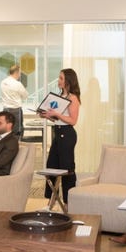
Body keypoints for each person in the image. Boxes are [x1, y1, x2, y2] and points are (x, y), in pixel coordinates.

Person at [40, 68, 81, 205]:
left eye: (61, 78)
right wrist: (48, 116)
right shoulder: (60, 96)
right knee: (51, 166)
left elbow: (73, 121)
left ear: (68, 81)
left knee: (66, 169)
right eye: (59, 78)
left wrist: (56, 114)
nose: (59, 80)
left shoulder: (72, 98)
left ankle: (69, 203)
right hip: (57, 133)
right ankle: (51, 201)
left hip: (67, 135)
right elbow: (58, 119)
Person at [0, 64, 28, 137]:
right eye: (19, 73)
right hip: (16, 110)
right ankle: (16, 144)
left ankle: (7, 144)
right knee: (17, 131)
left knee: (6, 131)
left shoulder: (3, 82)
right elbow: (25, 96)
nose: (20, 75)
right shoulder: (17, 84)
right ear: (16, 72)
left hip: (5, 110)